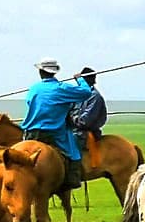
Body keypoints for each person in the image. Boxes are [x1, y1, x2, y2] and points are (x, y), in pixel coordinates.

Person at [23, 58, 95, 192]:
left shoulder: (33, 89)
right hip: (54, 133)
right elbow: (86, 93)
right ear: (54, 72)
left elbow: (29, 104)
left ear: (40, 72)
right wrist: (80, 79)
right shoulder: (61, 88)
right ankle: (72, 179)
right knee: (74, 153)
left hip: (30, 132)